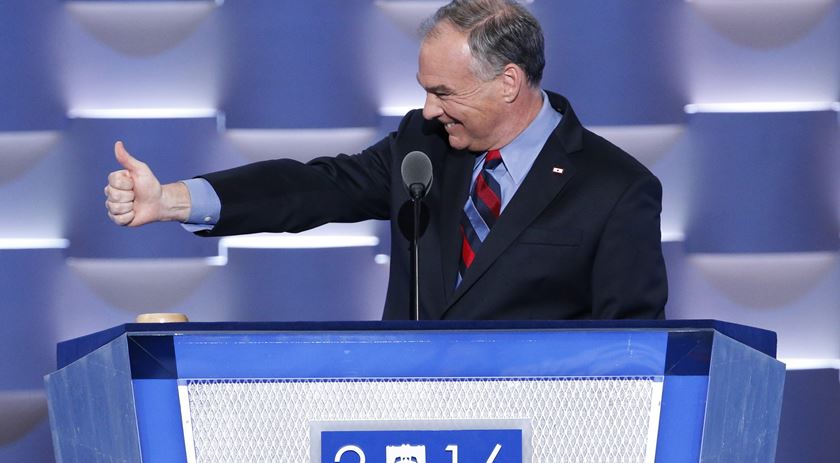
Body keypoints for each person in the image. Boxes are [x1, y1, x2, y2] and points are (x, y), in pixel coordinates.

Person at [104, 0, 667, 321]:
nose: (428, 108)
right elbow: (314, 187)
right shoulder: (423, 149)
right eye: (425, 89)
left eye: (444, 92)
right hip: (406, 425)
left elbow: (633, 348)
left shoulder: (614, 188)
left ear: (508, 83)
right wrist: (175, 199)